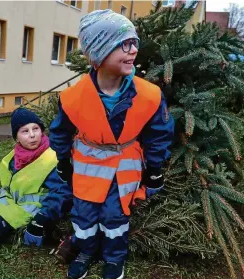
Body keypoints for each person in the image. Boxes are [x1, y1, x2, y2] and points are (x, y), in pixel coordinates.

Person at [49, 9, 175, 279]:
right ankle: (85, 251)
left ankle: (114, 260)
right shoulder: (73, 97)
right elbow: (60, 130)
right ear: (98, 52)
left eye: (134, 43)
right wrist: (62, 161)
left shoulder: (149, 95)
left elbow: (158, 133)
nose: (133, 51)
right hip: (86, 169)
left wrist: (154, 169)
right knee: (84, 216)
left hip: (123, 169)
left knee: (115, 217)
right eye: (124, 44)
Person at [0, 108, 72, 249]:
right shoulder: (13, 157)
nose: (32, 135)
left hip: (25, 212)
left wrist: (40, 220)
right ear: (16, 137)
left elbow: (62, 193)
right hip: (5, 202)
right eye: (25, 131)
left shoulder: (52, 159)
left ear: (42, 131)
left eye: (35, 129)